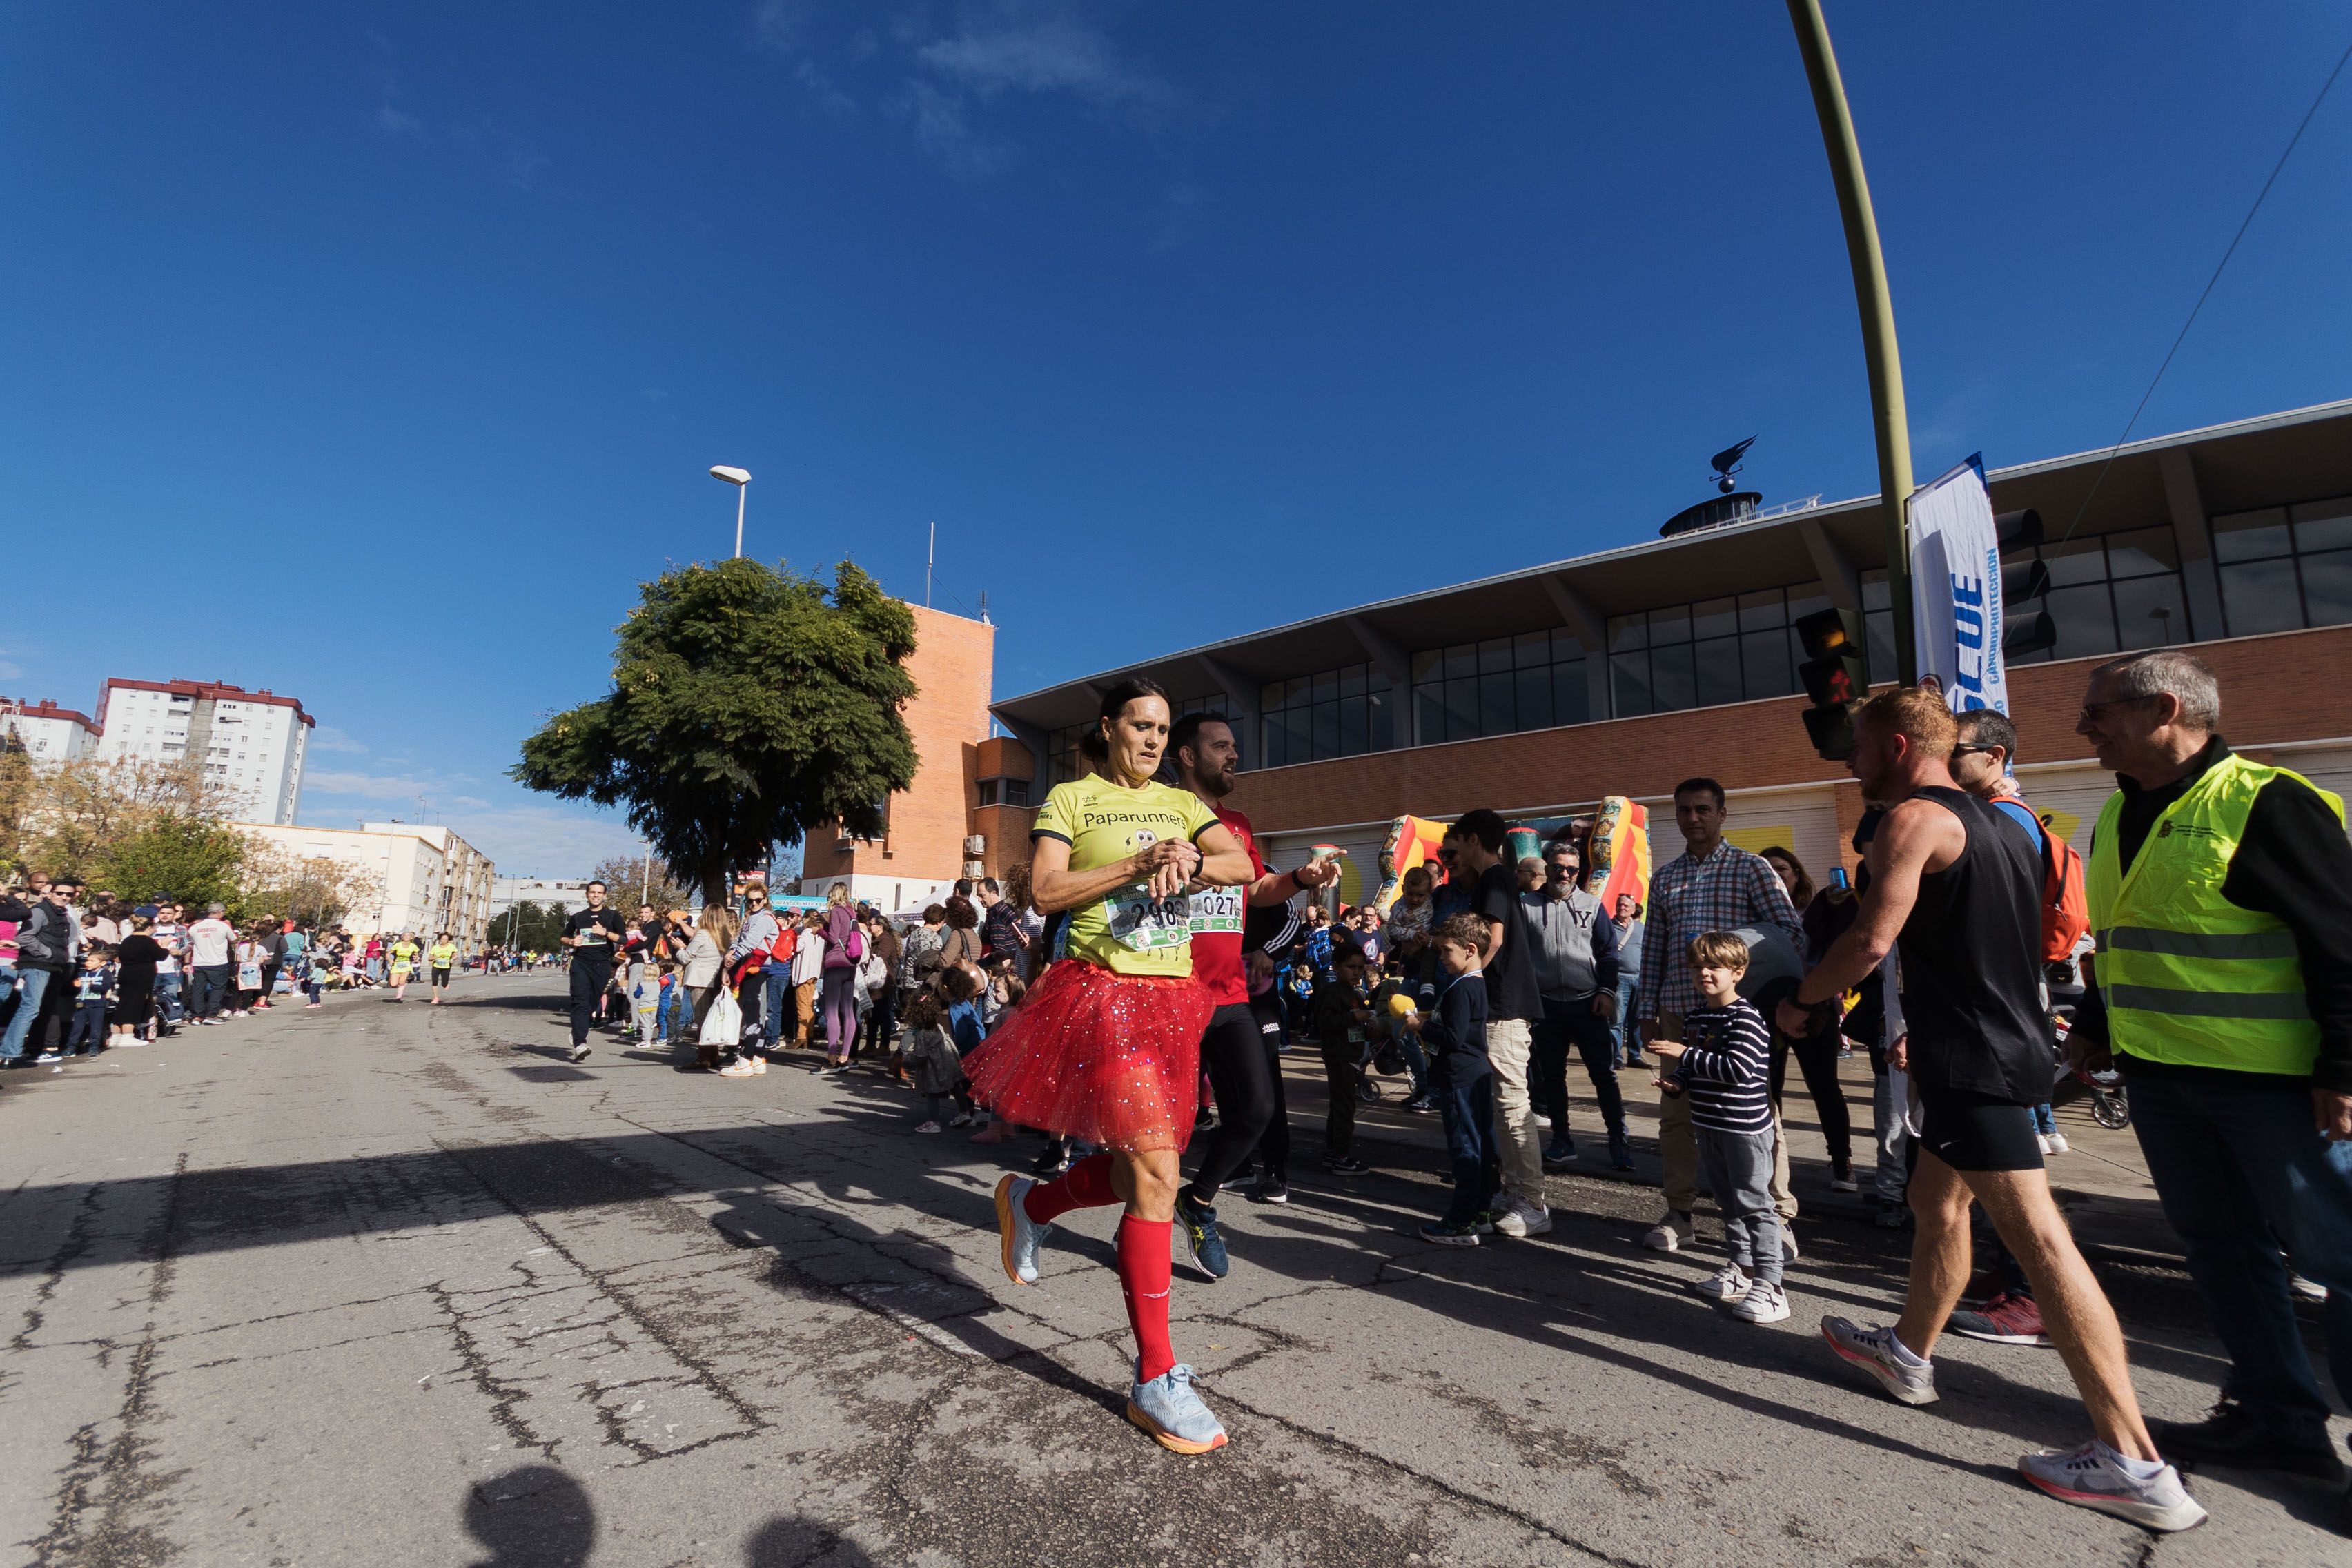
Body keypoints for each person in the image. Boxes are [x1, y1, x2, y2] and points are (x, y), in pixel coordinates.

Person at [1789, 687, 2204, 1531]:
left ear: (1899, 747)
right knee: (1933, 1201)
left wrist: (1801, 1002)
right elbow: (1992, 945)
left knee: (2040, 1239)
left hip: (1975, 1061)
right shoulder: (2008, 827)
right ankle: (1908, 1353)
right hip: (1992, 1047)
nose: (1850, 764)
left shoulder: (1914, 822)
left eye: (1860, 749)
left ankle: (2134, 1460)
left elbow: (1869, 939)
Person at [2067, 650, 2352, 1516]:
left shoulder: (2268, 802)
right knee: (2224, 1252)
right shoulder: (2118, 811)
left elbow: (2341, 944)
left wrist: (2344, 1068)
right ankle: (2280, 1420)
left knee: (2343, 1258)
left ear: (2165, 708)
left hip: (2276, 1086)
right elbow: (2122, 935)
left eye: (2098, 712)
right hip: (2166, 1080)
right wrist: (2095, 1025)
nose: (2084, 729)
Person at [977, 677, 1255, 1455]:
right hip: (1102, 996)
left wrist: (1191, 862)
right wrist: (1138, 865)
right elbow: (1044, 888)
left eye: (1164, 729)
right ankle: (1156, 1377)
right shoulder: (1071, 797)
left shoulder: (1182, 803)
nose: (1154, 740)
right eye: (1141, 725)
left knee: (1142, 1174)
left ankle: (1032, 1205)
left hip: (1175, 1004)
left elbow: (1235, 861)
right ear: (1109, 727)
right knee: (1161, 1172)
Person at [1164, 711, 1342, 1277]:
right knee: (1164, 1125)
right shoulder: (1160, 815)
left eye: (1233, 746)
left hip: (1229, 995)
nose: (1233, 755)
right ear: (1188, 755)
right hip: (1169, 994)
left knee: (1259, 1109)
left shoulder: (1237, 822)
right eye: (1221, 746)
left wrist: (1301, 880)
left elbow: (1259, 888)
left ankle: (1197, 1202)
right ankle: (1132, 1225)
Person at [1634, 781, 1802, 1254]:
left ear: (1723, 814)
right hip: (1675, 1012)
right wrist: (1646, 1011)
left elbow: (1788, 933)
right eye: (1685, 810)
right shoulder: (1665, 878)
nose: (1693, 818)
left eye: (1703, 809)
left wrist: (1743, 970)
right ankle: (1680, 1213)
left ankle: (1776, 1215)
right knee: (1678, 1116)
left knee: (1757, 1116)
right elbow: (1654, 951)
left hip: (1734, 1018)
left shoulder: (1753, 869)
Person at [1649, 932, 1785, 1323]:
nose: (1703, 974)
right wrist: (1678, 1082)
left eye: (1714, 967)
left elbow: (1738, 1071)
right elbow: (1695, 1068)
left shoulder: (1746, 1018)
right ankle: (1741, 1270)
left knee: (1756, 1205)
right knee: (1729, 1204)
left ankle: (1772, 1286)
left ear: (1738, 972)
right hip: (1708, 1124)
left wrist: (1684, 1054)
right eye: (1697, 966)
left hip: (1744, 1129)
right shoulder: (1697, 1016)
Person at [1441, 809, 1551, 1238]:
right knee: (1499, 1104)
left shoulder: (1495, 878)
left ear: (1472, 840)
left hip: (1505, 1005)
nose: (1453, 854)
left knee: (1510, 1103)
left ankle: (1532, 1201)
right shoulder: (1495, 879)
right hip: (1499, 1004)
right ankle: (1513, 1192)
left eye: (1456, 845)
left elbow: (1494, 938)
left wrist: (1470, 982)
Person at [1523, 838, 1631, 1171]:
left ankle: (1619, 1140)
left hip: (1589, 1004)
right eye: (1558, 868)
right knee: (1552, 1077)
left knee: (1604, 1075)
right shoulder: (1525, 905)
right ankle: (1562, 1139)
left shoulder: (1593, 904)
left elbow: (1608, 954)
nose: (1565, 874)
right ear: (1547, 869)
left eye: (1572, 869)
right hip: (1548, 1007)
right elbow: (1520, 957)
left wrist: (1607, 992)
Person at [1755, 845, 1856, 1190]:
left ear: (1797, 874)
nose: (1775, 874)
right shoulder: (1755, 914)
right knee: (1769, 1088)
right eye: (1766, 869)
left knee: (1824, 1085)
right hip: (1766, 1010)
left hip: (1815, 1007)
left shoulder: (1818, 910)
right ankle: (1771, 1161)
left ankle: (1842, 1161)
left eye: (1781, 868)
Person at [1410, 912, 1500, 1244]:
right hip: (1476, 1072)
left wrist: (1420, 1026)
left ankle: (1462, 1222)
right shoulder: (1476, 984)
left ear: (1470, 949)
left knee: (1466, 1148)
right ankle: (1481, 1211)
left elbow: (1454, 1036)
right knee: (1483, 1146)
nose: (1442, 957)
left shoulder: (1462, 988)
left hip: (1459, 1075)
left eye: (1446, 950)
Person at [1311, 940, 1375, 1175]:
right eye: (1351, 967)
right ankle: (1341, 1155)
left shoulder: (1354, 993)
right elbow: (1326, 1024)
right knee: (1345, 1107)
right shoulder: (1332, 993)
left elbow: (1355, 1028)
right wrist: (1355, 1018)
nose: (1357, 972)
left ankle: (1333, 1151)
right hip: (1339, 1056)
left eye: (1360, 967)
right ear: (1336, 967)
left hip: (1352, 1054)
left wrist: (1369, 1030)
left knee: (1340, 1105)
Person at [3, 880, 77, 1064]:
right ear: (49, 893)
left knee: (39, 1008)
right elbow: (25, 937)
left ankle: (17, 1051)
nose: (64, 897)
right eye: (60, 893)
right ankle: (9, 1053)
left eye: (69, 894)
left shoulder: (61, 912)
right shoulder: (40, 911)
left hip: (51, 966)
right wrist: (48, 952)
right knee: (30, 1008)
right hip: (37, 965)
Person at [560, 883, 629, 1064]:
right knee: (580, 1001)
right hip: (581, 962)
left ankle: (577, 1029)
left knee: (592, 1001)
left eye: (599, 893)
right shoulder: (578, 917)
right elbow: (563, 937)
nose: (596, 896)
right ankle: (580, 1043)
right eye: (593, 892)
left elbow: (623, 939)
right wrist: (572, 941)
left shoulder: (613, 916)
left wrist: (605, 933)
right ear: (587, 895)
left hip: (602, 964)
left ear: (605, 896)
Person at [819, 884, 861, 1075]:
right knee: (848, 1012)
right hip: (850, 964)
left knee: (831, 1012)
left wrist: (818, 931)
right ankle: (845, 1056)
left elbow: (834, 938)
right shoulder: (852, 912)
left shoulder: (836, 911)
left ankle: (832, 1057)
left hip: (835, 963)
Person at [112, 914, 165, 1045]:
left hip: (125, 973)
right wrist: (165, 946)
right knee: (134, 1003)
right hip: (141, 974)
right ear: (149, 927)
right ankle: (127, 1035)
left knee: (124, 1003)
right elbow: (161, 955)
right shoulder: (147, 941)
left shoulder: (127, 940)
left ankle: (116, 1035)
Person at [1611, 894, 1645, 1069]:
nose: (1622, 908)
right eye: (1619, 905)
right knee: (1616, 1021)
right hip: (1619, 979)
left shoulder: (1641, 929)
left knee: (1637, 1020)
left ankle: (1635, 1056)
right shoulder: (1608, 927)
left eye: (1625, 905)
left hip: (1639, 979)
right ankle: (1616, 1057)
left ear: (1633, 909)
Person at [63, 944, 114, 1059]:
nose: (88, 963)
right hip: (82, 1004)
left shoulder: (105, 974)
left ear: (102, 963)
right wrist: (75, 986)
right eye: (87, 960)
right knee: (77, 1027)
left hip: (97, 1005)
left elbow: (105, 987)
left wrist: (93, 986)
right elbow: (75, 988)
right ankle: (71, 1047)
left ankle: (94, 1046)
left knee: (96, 1027)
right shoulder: (82, 973)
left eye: (92, 961)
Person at [386, 931, 420, 1001]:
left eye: (408, 936)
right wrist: (390, 960)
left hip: (406, 965)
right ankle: (397, 980)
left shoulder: (413, 946)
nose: (406, 937)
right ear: (402, 937)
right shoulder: (398, 945)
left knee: (401, 982)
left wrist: (416, 958)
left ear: (411, 938)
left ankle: (399, 996)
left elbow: (416, 955)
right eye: (405, 936)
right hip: (397, 964)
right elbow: (388, 954)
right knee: (393, 984)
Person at [428, 932, 459, 1004]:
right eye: (442, 939)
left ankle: (445, 984)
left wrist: (452, 959)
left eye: (446, 939)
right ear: (440, 939)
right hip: (436, 966)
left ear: (448, 940)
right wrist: (433, 957)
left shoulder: (451, 946)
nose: (444, 940)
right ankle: (435, 998)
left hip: (446, 967)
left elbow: (456, 955)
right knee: (434, 982)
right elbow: (429, 958)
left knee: (444, 983)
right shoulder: (435, 948)